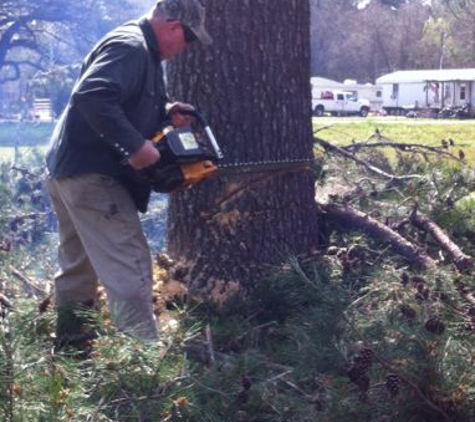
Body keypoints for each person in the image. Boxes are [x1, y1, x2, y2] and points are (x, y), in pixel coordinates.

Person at [45, 0, 212, 344]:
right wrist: (136, 146)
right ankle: (141, 366)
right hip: (95, 175)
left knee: (78, 266)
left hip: (70, 171)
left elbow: (119, 98)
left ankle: (72, 350)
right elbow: (92, 95)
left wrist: (166, 111)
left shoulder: (141, 51)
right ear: (174, 26)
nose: (186, 48)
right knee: (131, 265)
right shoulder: (131, 46)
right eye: (189, 39)